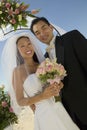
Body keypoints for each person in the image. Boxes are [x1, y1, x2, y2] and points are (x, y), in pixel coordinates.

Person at [1, 32, 80, 130]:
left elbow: (59, 83)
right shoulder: (17, 71)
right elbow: (20, 101)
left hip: (59, 107)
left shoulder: (44, 64)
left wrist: (59, 85)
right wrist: (42, 96)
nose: (27, 47)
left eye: (29, 44)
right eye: (22, 46)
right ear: (18, 51)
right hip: (43, 114)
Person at [30, 17, 87, 130]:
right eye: (37, 33)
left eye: (44, 28)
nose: (42, 33)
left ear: (51, 27)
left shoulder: (71, 37)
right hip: (70, 113)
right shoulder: (44, 61)